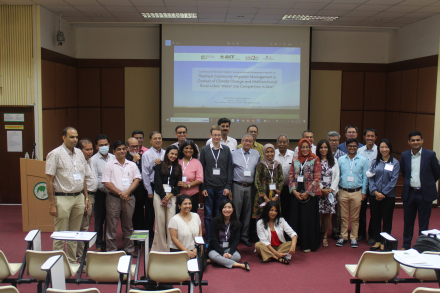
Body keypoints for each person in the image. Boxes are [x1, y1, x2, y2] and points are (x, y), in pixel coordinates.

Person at [45, 127, 91, 263]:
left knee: (74, 234)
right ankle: (57, 262)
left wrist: (86, 197)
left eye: (76, 137)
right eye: (71, 137)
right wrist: (51, 204)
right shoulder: (55, 154)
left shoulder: (79, 153)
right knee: (60, 234)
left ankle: (72, 261)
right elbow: (48, 179)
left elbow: (82, 176)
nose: (75, 139)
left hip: (78, 197)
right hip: (62, 197)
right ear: (63, 138)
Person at [401, 131, 440, 250]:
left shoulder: (430, 155)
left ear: (422, 141)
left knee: (424, 223)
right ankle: (406, 246)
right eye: (413, 140)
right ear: (409, 142)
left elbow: (437, 173)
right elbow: (404, 172)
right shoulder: (404, 155)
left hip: (424, 194)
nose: (415, 142)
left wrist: (427, 184)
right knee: (408, 222)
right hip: (410, 193)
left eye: (418, 140)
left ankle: (421, 247)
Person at [102, 140, 141, 257]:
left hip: (129, 198)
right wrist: (121, 194)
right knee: (112, 225)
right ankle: (111, 250)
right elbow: (106, 183)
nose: (122, 151)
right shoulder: (109, 165)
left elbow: (137, 180)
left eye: (123, 149)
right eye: (118, 149)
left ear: (127, 150)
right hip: (113, 199)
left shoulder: (132, 164)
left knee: (128, 225)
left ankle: (129, 248)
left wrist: (127, 193)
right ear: (113, 152)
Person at [200, 125, 233, 243]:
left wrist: (228, 186)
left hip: (222, 188)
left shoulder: (226, 150)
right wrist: (202, 187)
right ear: (211, 136)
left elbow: (229, 168)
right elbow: (201, 169)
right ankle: (209, 239)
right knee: (208, 215)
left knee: (220, 215)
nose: (217, 137)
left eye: (219, 135)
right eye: (215, 135)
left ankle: (219, 238)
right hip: (208, 187)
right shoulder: (204, 150)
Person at [289, 138, 321, 252]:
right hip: (297, 193)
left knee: (307, 219)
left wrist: (308, 193)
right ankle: (297, 242)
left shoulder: (315, 159)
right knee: (297, 218)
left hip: (310, 194)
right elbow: (291, 176)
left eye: (307, 147)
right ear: (299, 148)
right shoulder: (295, 159)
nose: (305, 149)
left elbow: (317, 177)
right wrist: (294, 191)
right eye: (303, 147)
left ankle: (307, 244)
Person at [336, 138, 369, 248]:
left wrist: (364, 192)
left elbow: (365, 178)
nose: (352, 148)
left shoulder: (363, 160)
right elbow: (337, 176)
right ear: (346, 147)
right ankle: (343, 236)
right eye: (350, 146)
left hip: (357, 192)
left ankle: (354, 238)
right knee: (343, 217)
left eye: (354, 146)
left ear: (357, 147)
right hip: (343, 191)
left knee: (355, 218)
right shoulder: (340, 159)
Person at [368, 139, 400, 251]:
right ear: (379, 149)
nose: (384, 149)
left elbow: (393, 181)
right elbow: (371, 178)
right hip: (374, 195)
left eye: (386, 147)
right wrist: (375, 192)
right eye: (382, 147)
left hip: (388, 197)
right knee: (375, 219)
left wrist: (383, 193)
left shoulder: (395, 163)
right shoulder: (374, 162)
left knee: (387, 220)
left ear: (390, 148)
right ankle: (377, 241)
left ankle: (384, 242)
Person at [231, 133, 260, 247]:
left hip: (250, 187)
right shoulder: (234, 154)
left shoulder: (256, 153)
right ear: (241, 142)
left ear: (253, 143)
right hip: (237, 185)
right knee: (236, 213)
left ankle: (244, 236)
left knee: (248, 213)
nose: (248, 142)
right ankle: (234, 236)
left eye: (250, 141)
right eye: (245, 140)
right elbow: (230, 170)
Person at [152, 145, 182, 251]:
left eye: (175, 154)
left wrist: (170, 195)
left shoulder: (178, 167)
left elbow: (179, 184)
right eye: (171, 154)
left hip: (172, 195)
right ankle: (159, 248)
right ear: (167, 154)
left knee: (171, 221)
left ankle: (171, 247)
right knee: (160, 221)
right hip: (159, 194)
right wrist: (163, 197)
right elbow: (157, 182)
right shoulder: (159, 165)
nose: (173, 156)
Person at [208, 199, 250, 270]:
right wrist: (222, 253)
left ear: (233, 209)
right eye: (224, 207)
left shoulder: (236, 223)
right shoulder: (215, 221)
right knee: (214, 255)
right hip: (216, 248)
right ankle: (240, 265)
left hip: (228, 248)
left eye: (229, 207)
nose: (227, 210)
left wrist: (230, 253)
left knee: (237, 257)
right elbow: (213, 239)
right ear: (221, 209)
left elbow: (236, 240)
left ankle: (215, 261)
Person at [91, 134, 115, 252]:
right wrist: (108, 188)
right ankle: (99, 244)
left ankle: (108, 243)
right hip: (100, 193)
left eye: (106, 144)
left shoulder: (114, 157)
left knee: (110, 219)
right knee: (99, 220)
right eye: (101, 145)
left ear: (109, 145)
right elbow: (96, 179)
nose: (104, 147)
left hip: (113, 193)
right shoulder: (93, 160)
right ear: (96, 147)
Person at [141, 131, 165, 246]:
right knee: (150, 216)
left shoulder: (166, 153)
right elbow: (145, 174)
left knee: (163, 215)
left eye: (159, 138)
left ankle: (161, 238)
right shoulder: (147, 154)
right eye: (155, 138)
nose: (157, 140)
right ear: (150, 141)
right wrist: (149, 191)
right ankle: (150, 240)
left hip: (164, 187)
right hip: (152, 186)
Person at [76, 138, 98, 259]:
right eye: (87, 150)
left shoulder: (90, 161)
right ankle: (80, 256)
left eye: (91, 149)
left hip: (92, 196)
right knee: (83, 227)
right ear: (80, 150)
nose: (90, 152)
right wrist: (86, 198)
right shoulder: (79, 162)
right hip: (86, 196)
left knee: (86, 226)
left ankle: (82, 253)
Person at [316, 139, 339, 248]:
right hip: (319, 192)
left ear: (328, 149)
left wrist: (330, 190)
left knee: (327, 215)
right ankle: (316, 237)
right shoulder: (316, 160)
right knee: (318, 215)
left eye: (325, 147)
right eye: (321, 147)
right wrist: (321, 190)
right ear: (318, 149)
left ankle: (325, 236)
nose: (323, 150)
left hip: (330, 193)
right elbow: (314, 177)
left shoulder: (333, 160)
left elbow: (337, 176)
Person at [357, 128, 378, 245]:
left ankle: (372, 235)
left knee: (374, 212)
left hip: (375, 186)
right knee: (361, 211)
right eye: (368, 136)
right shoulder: (359, 151)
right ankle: (361, 233)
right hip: (362, 185)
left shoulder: (380, 150)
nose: (370, 138)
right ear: (364, 137)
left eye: (372, 136)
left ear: (375, 138)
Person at [253, 144, 283, 219]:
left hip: (275, 196)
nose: (270, 154)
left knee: (273, 216)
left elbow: (281, 180)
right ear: (264, 153)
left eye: (271, 151)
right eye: (267, 152)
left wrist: (276, 196)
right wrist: (265, 197)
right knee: (261, 218)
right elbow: (257, 181)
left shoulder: (278, 165)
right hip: (262, 196)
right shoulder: (260, 165)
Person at [327, 131, 346, 240]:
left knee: (337, 212)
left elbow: (342, 173)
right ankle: (322, 230)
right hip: (324, 188)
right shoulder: (322, 154)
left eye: (336, 140)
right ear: (328, 141)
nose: (334, 142)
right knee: (323, 211)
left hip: (338, 188)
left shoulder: (343, 156)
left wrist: (336, 188)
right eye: (332, 140)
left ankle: (335, 230)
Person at [275, 134, 295, 230]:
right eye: (280, 142)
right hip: (275, 189)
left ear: (288, 143)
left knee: (288, 211)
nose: (282, 144)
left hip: (289, 188)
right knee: (276, 211)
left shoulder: (293, 154)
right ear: (277, 143)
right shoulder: (272, 154)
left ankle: (286, 231)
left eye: (284, 142)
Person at [177, 140, 203, 213]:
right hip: (178, 195)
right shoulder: (177, 161)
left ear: (194, 150)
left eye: (191, 148)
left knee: (192, 216)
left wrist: (187, 185)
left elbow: (200, 179)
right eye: (186, 148)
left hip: (192, 195)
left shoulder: (197, 163)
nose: (188, 150)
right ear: (182, 149)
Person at [126, 137, 146, 230]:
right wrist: (134, 161)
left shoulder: (142, 157)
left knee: (139, 214)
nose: (135, 149)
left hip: (140, 191)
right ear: (127, 147)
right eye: (132, 146)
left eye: (137, 146)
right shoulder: (124, 157)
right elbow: (125, 173)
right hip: (129, 191)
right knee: (129, 217)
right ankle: (129, 238)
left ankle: (139, 238)